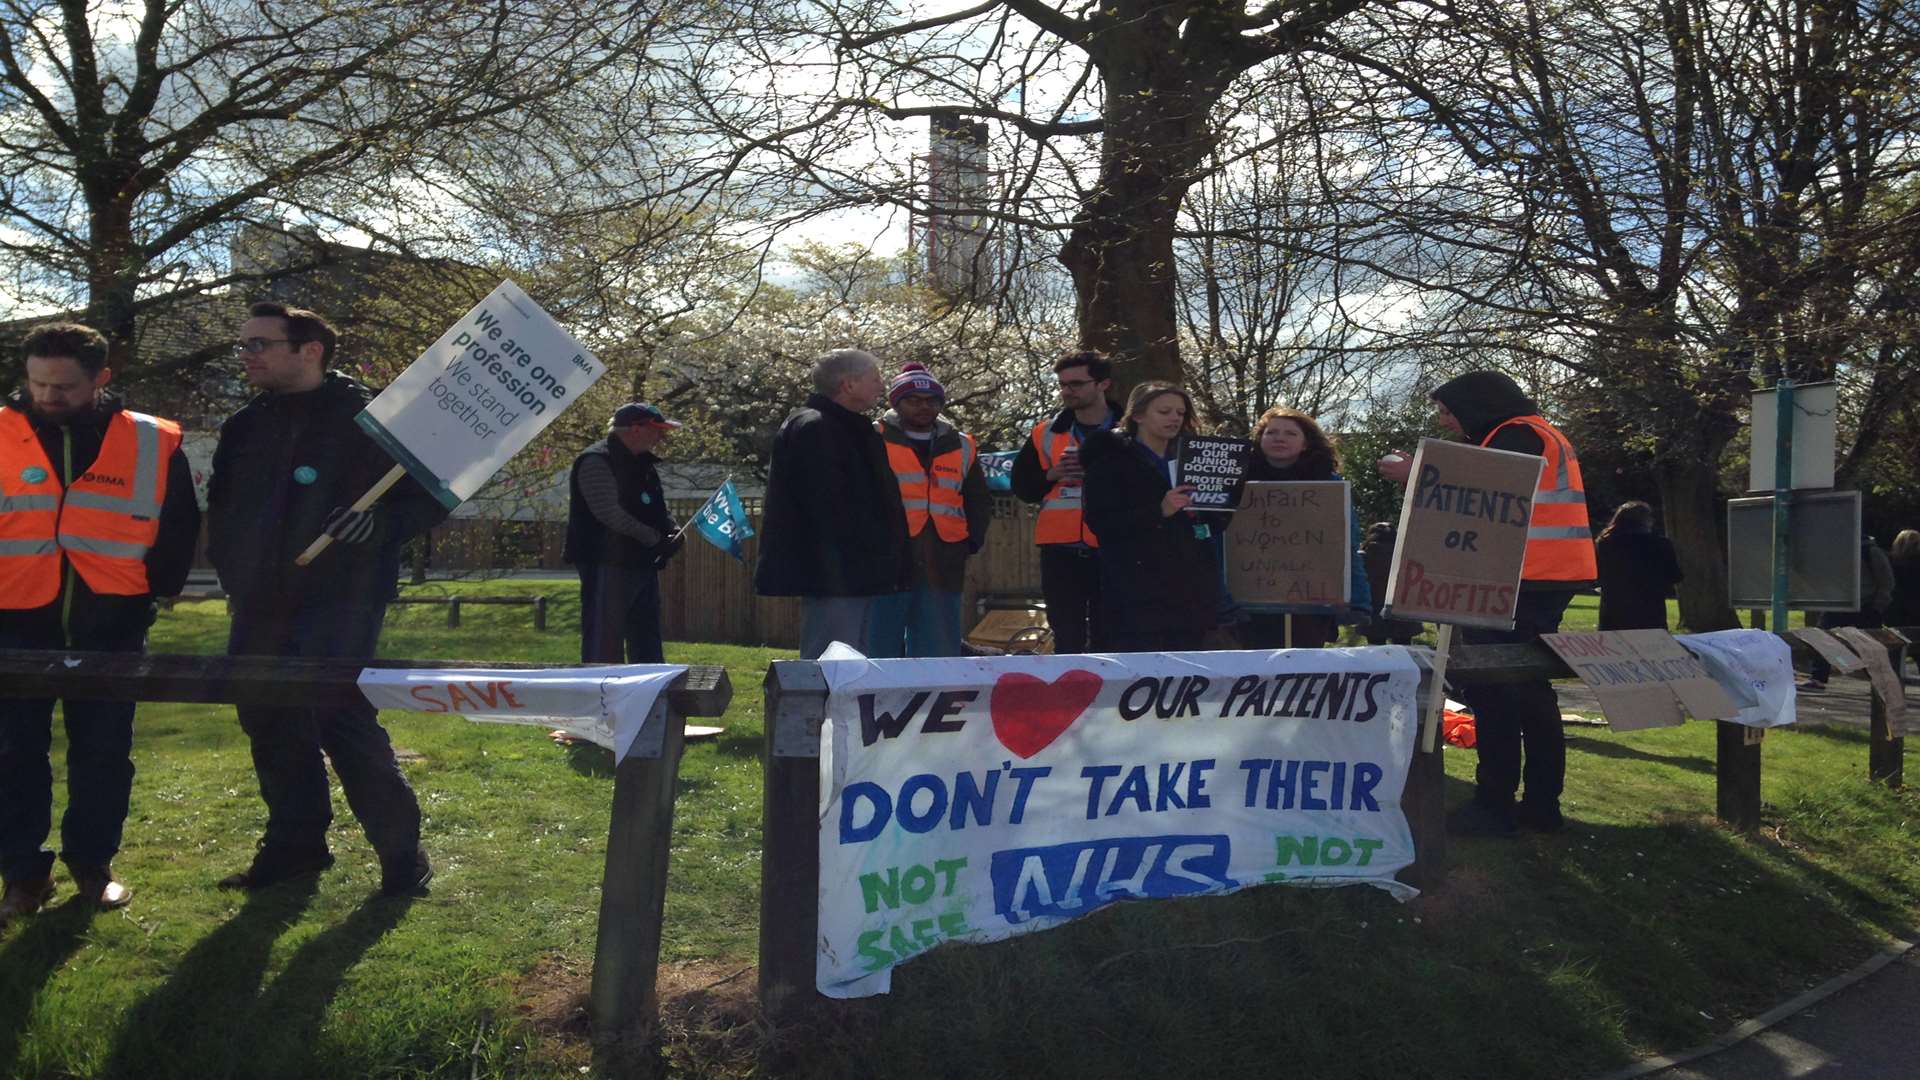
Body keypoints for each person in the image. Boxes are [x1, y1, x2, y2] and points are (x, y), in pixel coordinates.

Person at [207, 301, 447, 895]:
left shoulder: (375, 418)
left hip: (342, 598)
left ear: (309, 349)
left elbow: (433, 494)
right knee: (268, 719)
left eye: (260, 344)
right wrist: (235, 570)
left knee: (338, 716)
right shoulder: (245, 425)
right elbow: (225, 506)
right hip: (260, 600)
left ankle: (400, 856)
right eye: (244, 345)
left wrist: (383, 527)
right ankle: (296, 847)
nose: (247, 356)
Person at [0, 323, 199, 924]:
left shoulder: (151, 440)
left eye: (64, 385)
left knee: (104, 751)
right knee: (11, 753)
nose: (49, 395)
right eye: (37, 382)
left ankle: (93, 866)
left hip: (110, 621)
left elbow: (178, 522)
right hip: (12, 621)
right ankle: (22, 875)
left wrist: (156, 591)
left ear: (102, 379)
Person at [1378, 371, 1597, 835]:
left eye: (1448, 412)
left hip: (1517, 579)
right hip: (1541, 577)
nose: (1445, 421)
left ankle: (1494, 805)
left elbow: (1488, 489)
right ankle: (1539, 805)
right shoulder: (1536, 432)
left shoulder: (1516, 435)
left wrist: (1413, 473)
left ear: (1476, 405)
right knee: (1532, 692)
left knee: (1496, 689)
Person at [754, 348, 910, 659]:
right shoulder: (817, 428)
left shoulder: (852, 428)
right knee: (831, 658)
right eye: (874, 378)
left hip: (858, 569)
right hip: (836, 571)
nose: (882, 386)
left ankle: (843, 710)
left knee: (856, 660)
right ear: (849, 384)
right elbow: (827, 505)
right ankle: (815, 710)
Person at [1080, 382, 1221, 652]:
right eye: (1164, 411)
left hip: (1189, 590)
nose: (1174, 419)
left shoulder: (1193, 461)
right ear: (1138, 415)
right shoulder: (1110, 462)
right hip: (1134, 592)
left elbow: (1212, 523)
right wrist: (1159, 511)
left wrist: (1214, 507)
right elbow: (1101, 524)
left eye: (1180, 413)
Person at [869, 363, 993, 658]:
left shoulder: (962, 444)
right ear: (896, 403)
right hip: (888, 555)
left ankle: (936, 702)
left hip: (944, 556)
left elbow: (977, 498)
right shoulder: (873, 437)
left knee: (938, 643)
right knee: (879, 641)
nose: (924, 407)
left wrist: (971, 540)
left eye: (931, 401)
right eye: (913, 400)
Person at [1235, 406, 1372, 650]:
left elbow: (1346, 542)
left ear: (1306, 443)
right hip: (1249, 603)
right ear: (1259, 439)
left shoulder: (1328, 485)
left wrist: (1358, 601)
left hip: (1311, 602)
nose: (1279, 438)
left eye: (1290, 433)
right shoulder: (1235, 482)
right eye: (1271, 432)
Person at [1011, 351, 1120, 654]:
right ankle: (1070, 698)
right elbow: (1022, 487)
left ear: (1103, 384)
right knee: (1066, 633)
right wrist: (1053, 474)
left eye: (1076, 384)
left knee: (1110, 631)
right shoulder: (1045, 432)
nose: (1067, 391)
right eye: (1062, 384)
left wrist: (1099, 472)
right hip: (1060, 548)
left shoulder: (1130, 429)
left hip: (1113, 545)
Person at [565, 403, 684, 664]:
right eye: (656, 430)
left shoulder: (644, 464)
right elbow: (608, 512)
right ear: (635, 429)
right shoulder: (595, 461)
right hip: (605, 563)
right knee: (604, 642)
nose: (661, 437)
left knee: (647, 639)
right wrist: (653, 539)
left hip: (642, 562)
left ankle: (652, 696)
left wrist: (672, 531)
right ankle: (602, 697)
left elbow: (657, 508)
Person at [1800, 535, 1896, 691]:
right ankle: (1818, 677)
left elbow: (1886, 581)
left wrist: (1878, 605)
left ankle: (1881, 681)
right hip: (1837, 603)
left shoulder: (1870, 551)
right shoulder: (1834, 552)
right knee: (1822, 638)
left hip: (1865, 605)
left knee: (1871, 646)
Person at [1593, 501, 1683, 631]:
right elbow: (1674, 575)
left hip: (1614, 607)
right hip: (1650, 609)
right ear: (1646, 520)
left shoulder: (1606, 543)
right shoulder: (1660, 544)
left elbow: (1598, 573)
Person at [1360, 522, 1421, 646]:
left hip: (1373, 613)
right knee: (1404, 654)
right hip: (1402, 613)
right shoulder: (1407, 555)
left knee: (1375, 654)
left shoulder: (1364, 556)